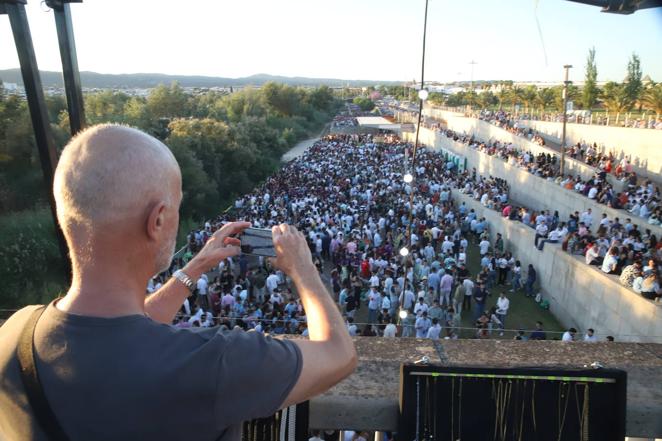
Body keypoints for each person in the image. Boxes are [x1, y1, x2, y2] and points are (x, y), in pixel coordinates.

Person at [0, 125, 357, 441]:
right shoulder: (208, 362)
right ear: (157, 220)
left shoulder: (14, 335)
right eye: (176, 207)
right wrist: (303, 268)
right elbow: (338, 355)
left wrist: (195, 268)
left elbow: (121, 335)